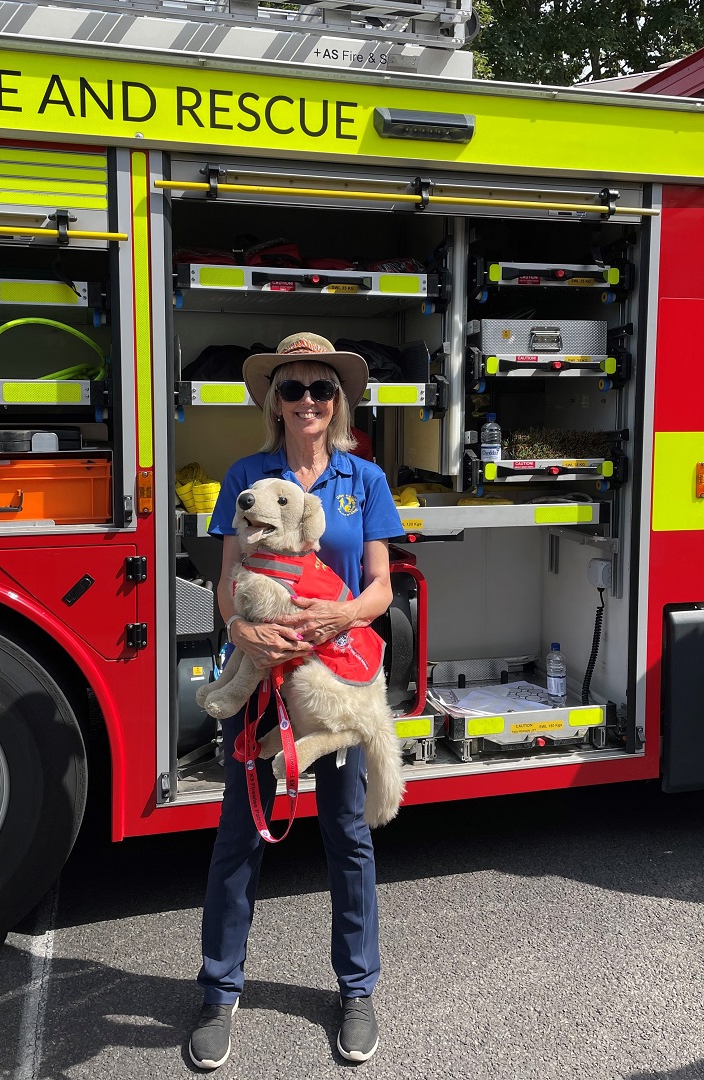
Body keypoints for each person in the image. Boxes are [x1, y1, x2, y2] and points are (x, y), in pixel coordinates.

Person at [189, 332, 403, 1070]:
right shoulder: (247, 475)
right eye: (293, 389)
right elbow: (227, 578)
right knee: (239, 837)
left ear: (337, 401)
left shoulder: (363, 478)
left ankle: (357, 989)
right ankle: (218, 993)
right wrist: (243, 630)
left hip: (335, 675)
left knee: (346, 835)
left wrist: (343, 616)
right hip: (261, 678)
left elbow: (381, 586)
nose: (307, 400)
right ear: (273, 402)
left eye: (321, 389)